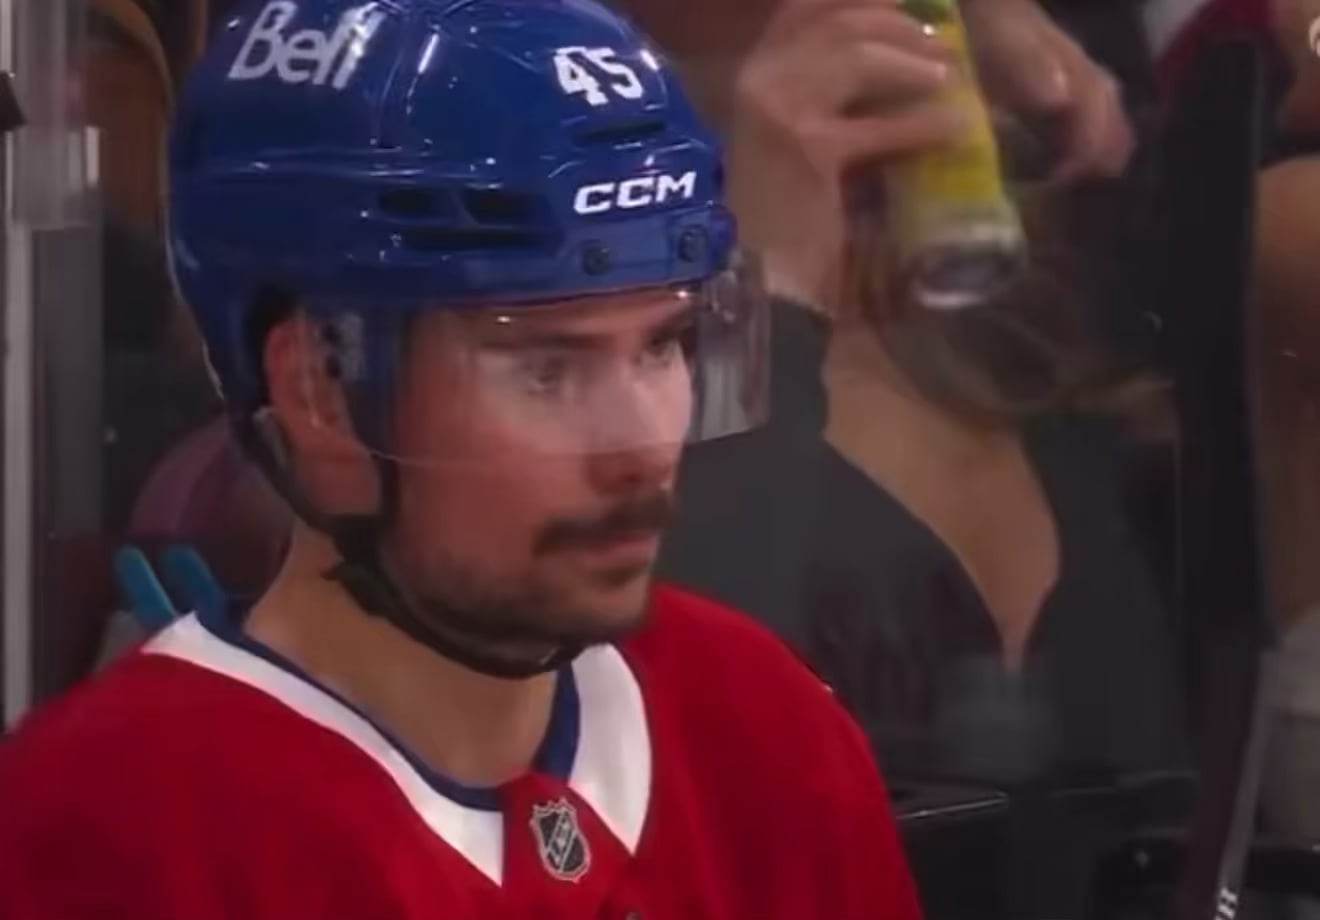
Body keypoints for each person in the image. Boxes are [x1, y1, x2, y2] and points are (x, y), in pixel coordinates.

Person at [0, 1, 922, 918]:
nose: (643, 445)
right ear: (321, 386)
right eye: (547, 367)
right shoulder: (104, 827)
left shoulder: (760, 724)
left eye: (664, 342)